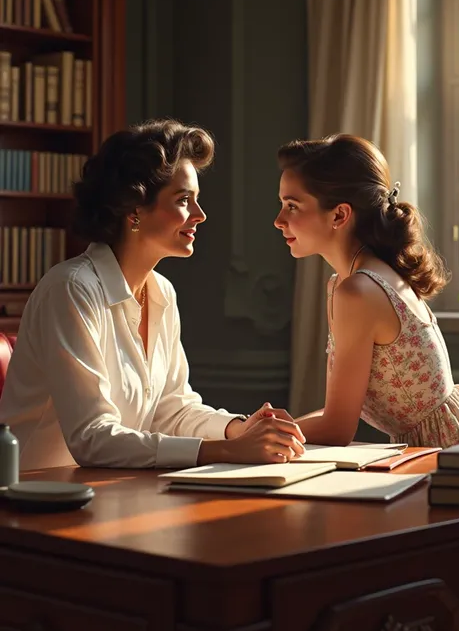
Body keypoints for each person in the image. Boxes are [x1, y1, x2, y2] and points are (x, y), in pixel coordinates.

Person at [0, 119, 305, 470]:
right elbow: (92, 437)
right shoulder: (70, 290)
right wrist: (224, 451)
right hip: (35, 502)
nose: (200, 215)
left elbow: (171, 408)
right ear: (134, 209)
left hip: (117, 493)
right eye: (183, 200)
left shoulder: (161, 291)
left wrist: (239, 429)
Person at [274, 133, 459, 448]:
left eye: (292, 206)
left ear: (339, 214)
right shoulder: (350, 281)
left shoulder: (359, 290)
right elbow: (335, 415)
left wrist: (249, 435)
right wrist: (270, 429)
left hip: (451, 454)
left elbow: (337, 429)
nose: (279, 220)